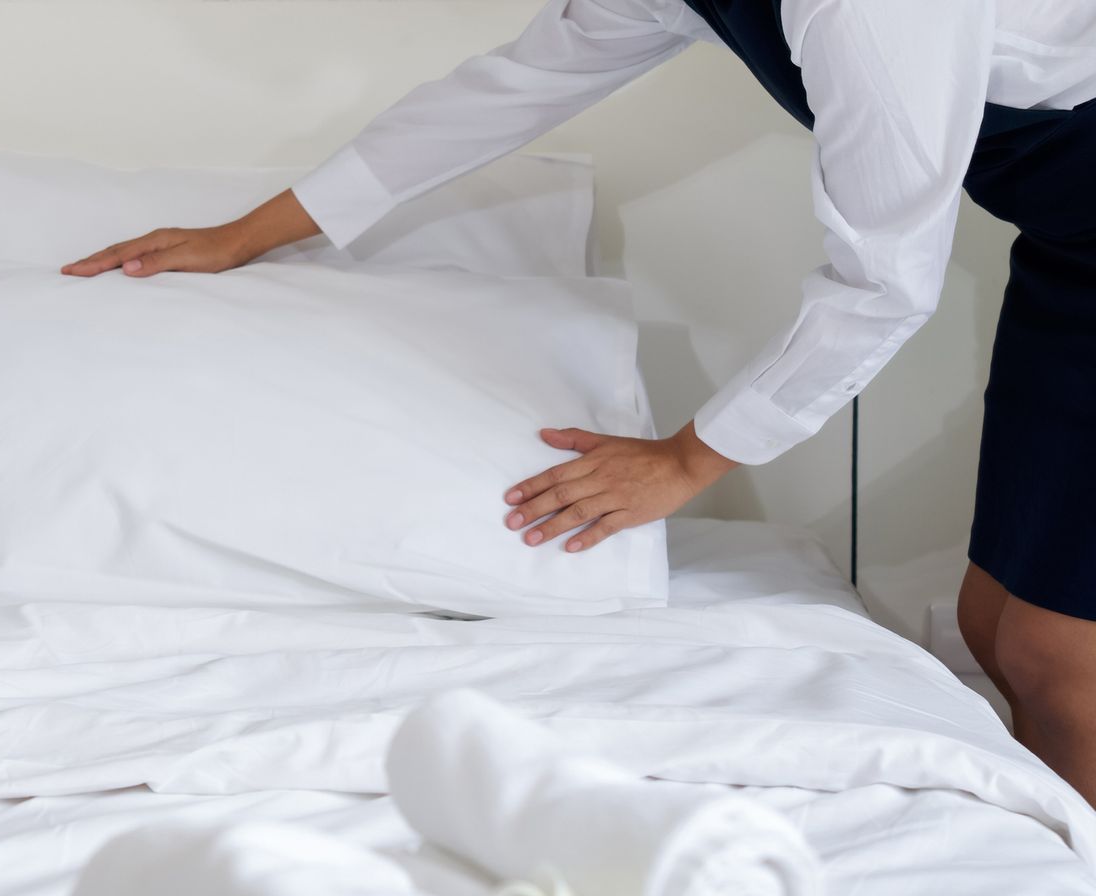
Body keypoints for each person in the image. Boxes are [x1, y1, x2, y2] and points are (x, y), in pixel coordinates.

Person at [61, 0, 1096, 802]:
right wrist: (253, 232)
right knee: (998, 627)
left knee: (1054, 654)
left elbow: (887, 285)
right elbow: (513, 86)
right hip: (1075, 247)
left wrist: (687, 461)